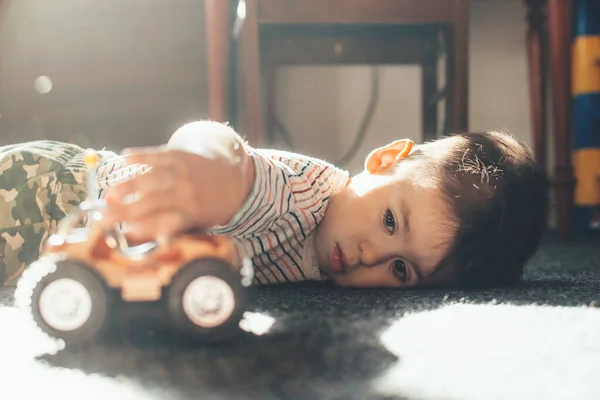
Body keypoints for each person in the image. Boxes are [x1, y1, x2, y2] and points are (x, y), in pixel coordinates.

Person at [0, 120, 549, 289]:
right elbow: (227, 152)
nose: (366, 255)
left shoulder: (323, 265)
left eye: (401, 270)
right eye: (389, 221)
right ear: (383, 160)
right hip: (58, 193)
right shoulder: (301, 193)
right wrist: (211, 171)